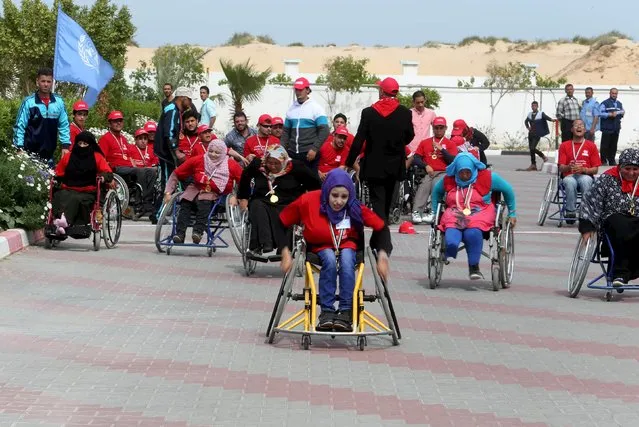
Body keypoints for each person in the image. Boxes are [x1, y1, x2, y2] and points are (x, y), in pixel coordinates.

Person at [279, 169, 392, 332]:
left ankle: (345, 311)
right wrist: (285, 253)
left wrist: (382, 256)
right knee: (330, 260)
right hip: (320, 246)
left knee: (347, 261)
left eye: (344, 197)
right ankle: (327, 312)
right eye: (334, 195)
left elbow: (381, 227)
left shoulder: (354, 207)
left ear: (350, 195)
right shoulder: (308, 201)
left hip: (348, 245)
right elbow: (282, 222)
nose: (338, 201)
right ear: (327, 192)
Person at [431, 153, 517, 280]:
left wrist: (512, 213)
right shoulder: (448, 179)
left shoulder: (489, 177)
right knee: (451, 234)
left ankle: (474, 267)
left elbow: (508, 189)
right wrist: (434, 212)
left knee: (472, 233)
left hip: (480, 211)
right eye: (461, 172)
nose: (465, 175)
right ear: (456, 171)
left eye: (468, 172)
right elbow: (436, 192)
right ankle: (450, 249)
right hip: (456, 212)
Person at [345, 77, 414, 223]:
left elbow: (359, 140)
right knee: (387, 201)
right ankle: (382, 234)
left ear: (382, 91)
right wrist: (397, 143)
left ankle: (381, 238)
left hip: (374, 165)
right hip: (395, 165)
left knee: (378, 203)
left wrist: (349, 161)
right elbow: (410, 136)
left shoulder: (369, 112)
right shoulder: (405, 113)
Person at [238, 145, 321, 254]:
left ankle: (284, 250)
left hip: (288, 201)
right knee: (256, 206)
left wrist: (305, 194)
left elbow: (315, 183)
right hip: (263, 200)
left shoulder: (296, 167)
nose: (272, 166)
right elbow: (245, 177)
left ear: (283, 161)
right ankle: (264, 243)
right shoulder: (258, 164)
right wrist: (243, 197)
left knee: (291, 212)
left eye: (276, 163)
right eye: (269, 162)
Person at [164, 139, 243, 244]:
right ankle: (179, 234)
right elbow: (177, 173)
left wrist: (236, 196)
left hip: (215, 195)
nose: (213, 154)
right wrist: (168, 192)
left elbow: (243, 182)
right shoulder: (198, 160)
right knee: (185, 203)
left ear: (224, 153)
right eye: (211, 151)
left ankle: (197, 232)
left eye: (217, 152)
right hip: (195, 188)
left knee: (204, 203)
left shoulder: (231, 165)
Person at [579, 148, 639, 286]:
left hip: (636, 220)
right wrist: (587, 226)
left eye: (635, 169)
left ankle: (628, 272)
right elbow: (590, 201)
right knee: (620, 225)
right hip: (612, 219)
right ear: (620, 166)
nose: (631, 173)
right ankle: (619, 273)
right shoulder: (607, 179)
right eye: (627, 168)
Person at [51, 131, 112, 238]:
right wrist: (54, 178)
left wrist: (103, 177)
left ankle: (64, 222)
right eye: (80, 144)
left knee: (75, 198)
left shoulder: (97, 157)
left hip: (88, 190)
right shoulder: (68, 156)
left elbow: (107, 172)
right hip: (68, 187)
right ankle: (61, 221)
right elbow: (58, 172)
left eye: (85, 144)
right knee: (60, 196)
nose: (82, 146)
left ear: (91, 145)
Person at [99, 111, 157, 219]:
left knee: (152, 171)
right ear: (110, 123)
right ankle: (140, 204)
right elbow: (101, 159)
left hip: (128, 168)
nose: (118, 123)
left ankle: (147, 201)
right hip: (116, 169)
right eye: (115, 121)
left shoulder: (124, 139)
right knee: (140, 171)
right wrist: (108, 174)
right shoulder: (105, 139)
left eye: (120, 121)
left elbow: (130, 157)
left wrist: (136, 166)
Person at [13, 67, 71, 162]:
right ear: (37, 81)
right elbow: (19, 126)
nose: (46, 84)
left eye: (48, 81)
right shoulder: (28, 102)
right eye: (43, 81)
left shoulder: (59, 102)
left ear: (52, 82)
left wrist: (65, 146)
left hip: (49, 155)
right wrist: (19, 148)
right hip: (28, 155)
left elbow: (64, 125)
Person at [154, 86, 192, 222]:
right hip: (166, 153)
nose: (191, 103)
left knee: (169, 181)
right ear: (183, 98)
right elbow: (169, 132)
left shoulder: (175, 110)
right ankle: (159, 215)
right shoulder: (172, 110)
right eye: (189, 100)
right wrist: (176, 150)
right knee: (168, 182)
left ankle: (159, 213)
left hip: (167, 152)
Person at [412, 116, 458, 224]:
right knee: (424, 186)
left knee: (436, 185)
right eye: (436, 128)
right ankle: (416, 212)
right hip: (429, 171)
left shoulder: (450, 144)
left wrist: (443, 150)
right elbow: (416, 158)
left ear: (445, 128)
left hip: (444, 172)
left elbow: (453, 160)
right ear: (433, 128)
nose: (438, 130)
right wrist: (425, 165)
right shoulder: (425, 142)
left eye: (441, 128)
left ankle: (433, 211)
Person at [280, 77, 330, 170]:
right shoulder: (291, 109)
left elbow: (325, 130)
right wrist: (281, 150)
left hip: (309, 154)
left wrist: (314, 149)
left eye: (300, 89)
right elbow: (286, 132)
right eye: (296, 89)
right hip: (293, 154)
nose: (298, 92)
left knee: (310, 183)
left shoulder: (316, 108)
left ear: (307, 90)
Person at [557, 119, 601, 221]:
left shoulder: (591, 146)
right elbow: (561, 167)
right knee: (569, 181)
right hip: (569, 175)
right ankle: (570, 211)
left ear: (585, 130)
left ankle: (585, 211)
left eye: (581, 125)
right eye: (576, 125)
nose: (579, 127)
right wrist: (569, 167)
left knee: (586, 181)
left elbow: (595, 169)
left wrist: (584, 169)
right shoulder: (564, 145)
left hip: (585, 175)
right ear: (572, 129)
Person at [523, 101, 553, 171]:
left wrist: (552, 120)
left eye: (535, 106)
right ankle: (533, 165)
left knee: (533, 148)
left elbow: (546, 117)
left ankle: (542, 156)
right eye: (532, 106)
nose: (533, 107)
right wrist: (528, 127)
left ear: (537, 106)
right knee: (531, 149)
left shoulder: (540, 114)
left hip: (537, 134)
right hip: (530, 134)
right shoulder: (530, 114)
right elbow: (526, 121)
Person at [598, 88, 625, 166]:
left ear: (617, 94)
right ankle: (603, 161)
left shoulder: (619, 103)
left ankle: (612, 161)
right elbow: (599, 113)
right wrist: (609, 114)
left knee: (613, 145)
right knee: (605, 145)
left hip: (616, 128)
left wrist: (620, 113)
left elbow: (623, 111)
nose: (614, 95)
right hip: (607, 128)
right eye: (613, 93)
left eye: (615, 93)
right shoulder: (605, 103)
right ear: (609, 93)